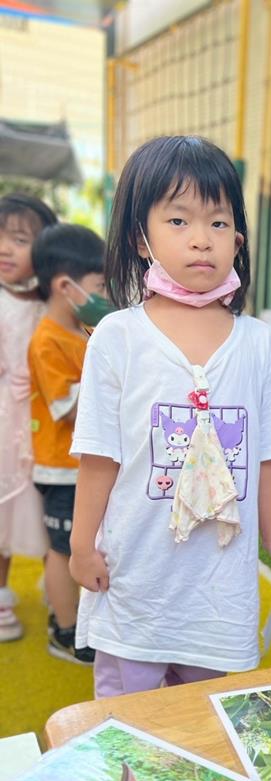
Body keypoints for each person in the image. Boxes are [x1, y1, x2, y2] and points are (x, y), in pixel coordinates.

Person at [69, 135, 271, 698]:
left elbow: (267, 456)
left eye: (218, 223)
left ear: (237, 240)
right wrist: (81, 545)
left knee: (201, 718)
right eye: (178, 221)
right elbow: (99, 456)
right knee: (127, 720)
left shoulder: (258, 344)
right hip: (136, 580)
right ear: (141, 239)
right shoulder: (118, 337)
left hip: (217, 592)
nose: (202, 238)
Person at [27, 224, 107, 664]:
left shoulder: (82, 330)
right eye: (98, 286)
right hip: (61, 469)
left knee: (82, 544)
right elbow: (71, 408)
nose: (103, 295)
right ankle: (65, 629)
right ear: (65, 286)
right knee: (62, 550)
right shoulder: (47, 340)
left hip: (81, 468)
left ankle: (76, 618)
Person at [0, 192, 57, 641]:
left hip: (44, 422)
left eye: (19, 240)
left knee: (47, 504)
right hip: (4, 419)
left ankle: (57, 590)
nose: (5, 248)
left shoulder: (53, 303)